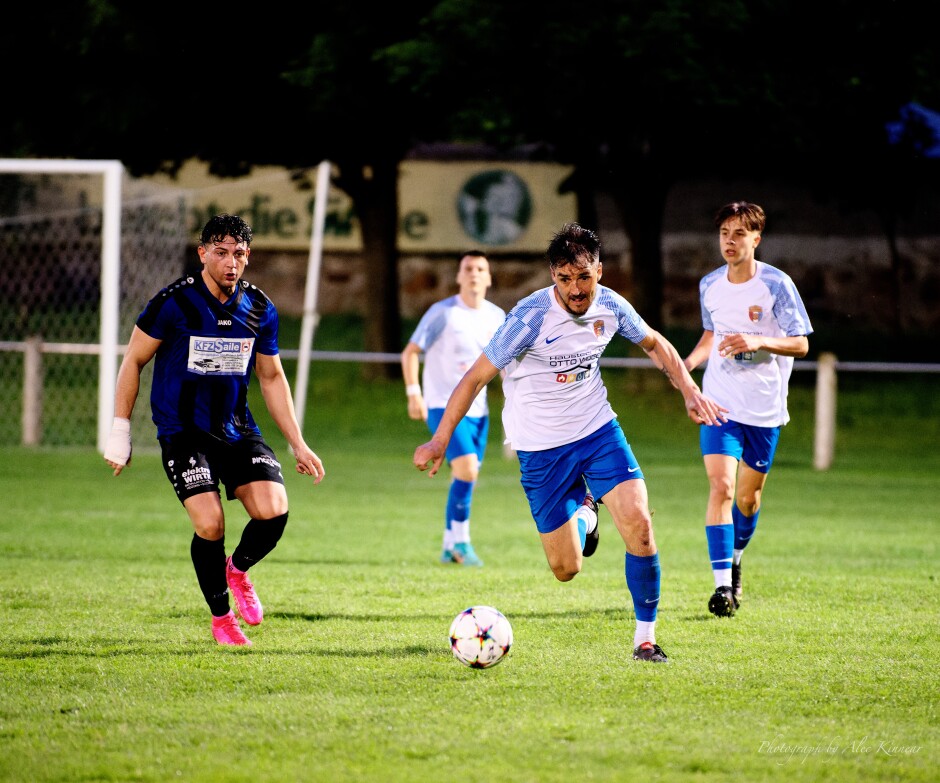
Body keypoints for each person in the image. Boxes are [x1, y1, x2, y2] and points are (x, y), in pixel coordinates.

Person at [413, 223, 728, 663]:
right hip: (540, 449)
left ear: (599, 269)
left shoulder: (612, 306)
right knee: (566, 569)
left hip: (598, 431)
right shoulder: (528, 317)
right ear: (552, 276)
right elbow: (475, 378)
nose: (575, 289)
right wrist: (440, 438)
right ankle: (585, 513)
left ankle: (645, 639)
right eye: (564, 279)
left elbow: (655, 344)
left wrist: (689, 391)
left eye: (583, 277)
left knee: (639, 523)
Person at [103, 214, 325, 647]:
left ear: (248, 257)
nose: (230, 262)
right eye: (220, 252)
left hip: (236, 429)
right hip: (183, 431)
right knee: (209, 523)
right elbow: (133, 360)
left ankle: (237, 570)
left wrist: (297, 442)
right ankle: (222, 618)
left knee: (274, 508)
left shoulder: (259, 308)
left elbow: (272, 377)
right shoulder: (173, 303)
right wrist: (119, 430)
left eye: (239, 253)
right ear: (202, 253)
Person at [683, 201, 812, 618]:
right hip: (719, 402)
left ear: (756, 239)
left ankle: (736, 559)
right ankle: (721, 587)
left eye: (739, 234)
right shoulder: (710, 285)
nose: (730, 241)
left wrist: (758, 342)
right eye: (724, 233)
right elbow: (710, 335)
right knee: (720, 487)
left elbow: (801, 343)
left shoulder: (777, 285)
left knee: (748, 499)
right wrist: (687, 366)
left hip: (764, 409)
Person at [401, 250, 506, 566]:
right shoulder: (442, 313)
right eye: (467, 268)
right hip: (443, 407)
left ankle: (449, 547)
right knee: (467, 470)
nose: (473, 273)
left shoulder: (498, 317)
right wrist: (413, 393)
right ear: (459, 276)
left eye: (480, 268)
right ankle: (462, 544)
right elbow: (410, 352)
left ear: (488, 277)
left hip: (479, 412)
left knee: (465, 476)